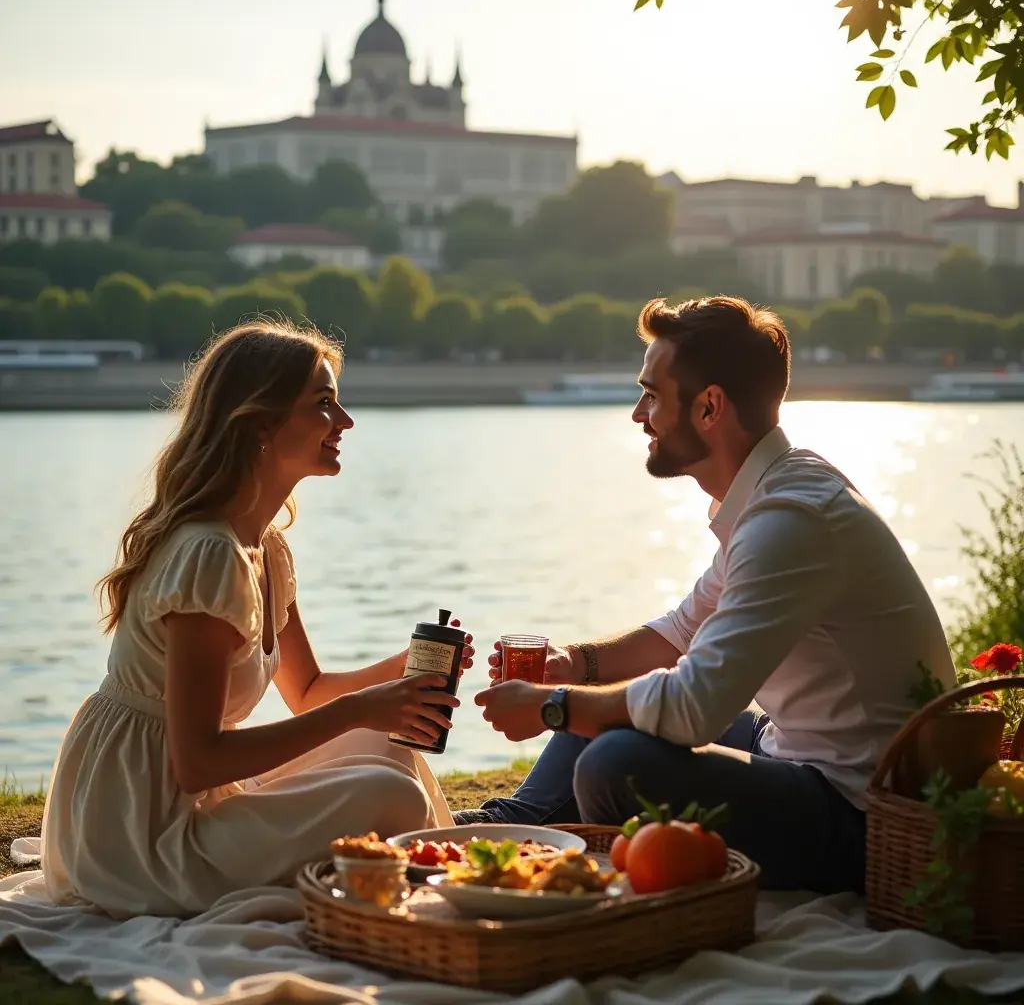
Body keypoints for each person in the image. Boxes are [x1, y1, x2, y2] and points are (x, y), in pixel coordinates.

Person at [460, 295, 955, 894]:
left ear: (709, 407)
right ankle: (519, 823)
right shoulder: (769, 496)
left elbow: (695, 706)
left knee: (613, 763)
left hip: (859, 814)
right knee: (600, 698)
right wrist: (575, 667)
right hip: (788, 750)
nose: (638, 414)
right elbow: (682, 632)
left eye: (650, 394)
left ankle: (600, 872)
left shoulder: (790, 520)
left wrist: (554, 703)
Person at [41, 318, 473, 918]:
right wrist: (362, 707)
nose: (345, 422)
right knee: (389, 791)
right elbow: (199, 763)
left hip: (194, 801)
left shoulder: (264, 547)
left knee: (391, 749)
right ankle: (446, 907)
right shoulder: (210, 555)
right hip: (141, 836)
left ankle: (459, 890)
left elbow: (309, 692)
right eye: (324, 405)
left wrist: (400, 675)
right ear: (262, 423)